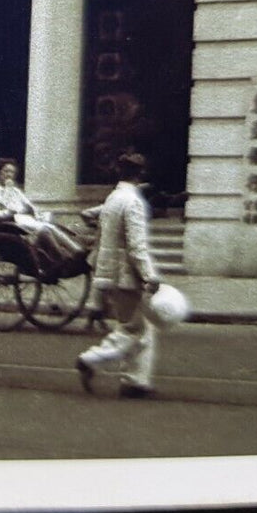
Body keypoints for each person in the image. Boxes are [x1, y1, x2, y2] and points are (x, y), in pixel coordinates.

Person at [75, 152, 162, 399]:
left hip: (110, 272)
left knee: (141, 328)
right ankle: (91, 359)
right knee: (132, 328)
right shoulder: (133, 202)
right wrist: (149, 275)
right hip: (126, 275)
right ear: (140, 175)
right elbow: (136, 246)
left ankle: (135, 381)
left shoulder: (114, 198)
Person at [0, 157, 85, 261]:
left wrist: (37, 213)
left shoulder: (15, 190)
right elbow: (6, 207)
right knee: (46, 229)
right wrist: (8, 189)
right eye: (6, 171)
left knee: (51, 226)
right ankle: (61, 256)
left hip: (25, 218)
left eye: (12, 172)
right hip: (11, 220)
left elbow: (29, 204)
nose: (9, 175)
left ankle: (75, 250)